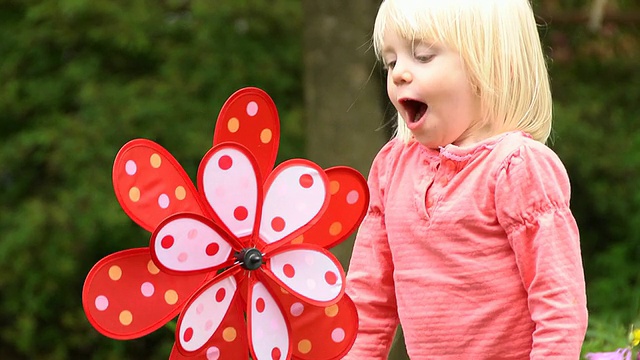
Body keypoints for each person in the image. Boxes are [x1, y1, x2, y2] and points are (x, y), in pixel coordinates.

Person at [343, 0, 588, 358]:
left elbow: (559, 307)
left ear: (488, 65)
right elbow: (368, 299)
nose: (397, 74)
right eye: (392, 61)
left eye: (423, 55)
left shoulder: (517, 167)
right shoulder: (391, 168)